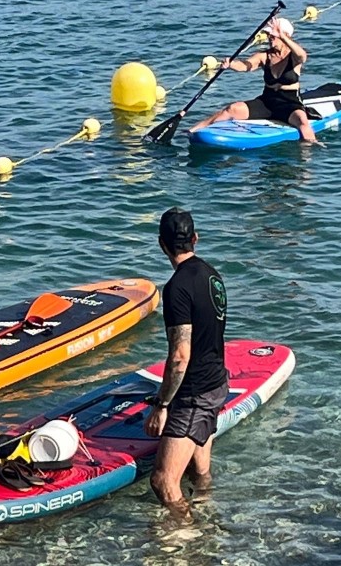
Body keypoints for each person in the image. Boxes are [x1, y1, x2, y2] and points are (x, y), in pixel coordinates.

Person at [144, 207, 228, 518]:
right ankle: (209, 516)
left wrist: (162, 406)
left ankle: (188, 538)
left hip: (194, 394)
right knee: (199, 471)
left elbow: (180, 357)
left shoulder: (177, 288)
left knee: (163, 481)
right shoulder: (212, 276)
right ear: (195, 238)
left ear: (161, 244)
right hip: (217, 382)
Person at [188, 17, 317, 142]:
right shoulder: (264, 56)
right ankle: (193, 130)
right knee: (232, 109)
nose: (270, 38)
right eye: (269, 35)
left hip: (289, 103)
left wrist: (282, 35)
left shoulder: (294, 57)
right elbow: (246, 66)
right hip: (267, 101)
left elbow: (302, 56)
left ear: (286, 36)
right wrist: (231, 65)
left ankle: (309, 151)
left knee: (302, 121)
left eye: (273, 35)